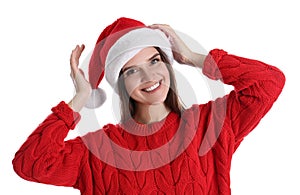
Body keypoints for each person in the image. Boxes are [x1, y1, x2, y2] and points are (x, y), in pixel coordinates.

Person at [12, 17, 285, 195]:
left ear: (167, 63)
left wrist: (192, 57)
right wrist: (80, 97)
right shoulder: (98, 151)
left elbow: (269, 82)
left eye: (154, 61)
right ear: (120, 84)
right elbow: (29, 164)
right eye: (131, 71)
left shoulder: (208, 125)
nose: (149, 77)